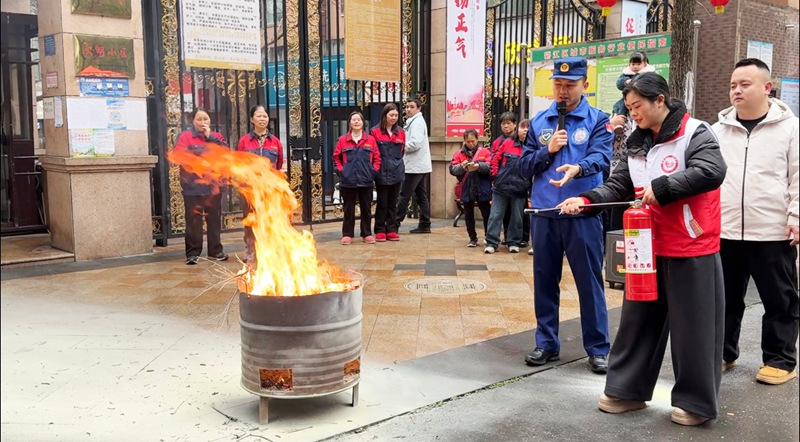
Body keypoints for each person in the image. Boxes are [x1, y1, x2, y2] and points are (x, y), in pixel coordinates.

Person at [558, 72, 727, 426]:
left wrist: (663, 187)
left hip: (690, 244)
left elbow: (712, 171)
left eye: (637, 106)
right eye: (629, 107)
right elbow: (619, 185)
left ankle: (696, 403)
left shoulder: (695, 132)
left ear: (660, 101)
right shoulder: (636, 143)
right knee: (637, 322)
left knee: (694, 329)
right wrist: (586, 200)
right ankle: (626, 391)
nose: (632, 112)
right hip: (645, 246)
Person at [517, 57, 613, 374]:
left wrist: (578, 168)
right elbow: (524, 166)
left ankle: (598, 348)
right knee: (545, 281)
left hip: (582, 211)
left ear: (584, 85)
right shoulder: (541, 121)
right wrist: (548, 152)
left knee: (589, 282)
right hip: (545, 213)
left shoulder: (598, 120)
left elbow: (601, 157)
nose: (562, 91)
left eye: (569, 85)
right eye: (558, 84)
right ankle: (546, 343)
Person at [712, 58, 799, 385]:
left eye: (745, 84)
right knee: (725, 299)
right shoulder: (717, 130)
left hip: (773, 231)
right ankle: (723, 351)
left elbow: (798, 177)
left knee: (780, 299)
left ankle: (780, 360)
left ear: (766, 87)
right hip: (726, 230)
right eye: (733, 84)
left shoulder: (791, 128)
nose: (736, 90)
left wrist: (796, 217)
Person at [175, 108, 229, 265]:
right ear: (193, 121)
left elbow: (226, 153)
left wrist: (209, 137)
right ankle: (193, 253)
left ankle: (215, 251)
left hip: (213, 187)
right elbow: (179, 155)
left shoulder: (216, 137)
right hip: (192, 187)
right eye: (199, 119)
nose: (203, 122)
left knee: (214, 220)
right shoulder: (185, 137)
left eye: (206, 119)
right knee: (194, 221)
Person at [236, 105, 284, 266]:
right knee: (251, 221)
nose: (262, 119)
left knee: (269, 219)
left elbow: (278, 165)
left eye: (265, 116)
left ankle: (268, 251)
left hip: (269, 189)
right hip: (249, 189)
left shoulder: (275, 141)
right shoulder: (244, 141)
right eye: (259, 116)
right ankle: (250, 251)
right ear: (252, 119)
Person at [333, 111, 381, 245]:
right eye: (353, 119)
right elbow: (336, 158)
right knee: (348, 209)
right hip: (348, 181)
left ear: (362, 122)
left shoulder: (370, 140)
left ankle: (366, 233)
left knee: (366, 208)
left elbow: (377, 158)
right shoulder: (342, 140)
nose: (356, 122)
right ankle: (347, 234)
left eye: (359, 119)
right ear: (349, 123)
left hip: (366, 180)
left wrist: (373, 171)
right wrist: (342, 171)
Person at [485, 119, 531, 254]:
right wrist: (495, 177)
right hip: (501, 187)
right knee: (495, 215)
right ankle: (492, 243)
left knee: (517, 217)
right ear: (518, 129)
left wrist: (526, 184)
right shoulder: (507, 143)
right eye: (523, 127)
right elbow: (495, 160)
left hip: (519, 189)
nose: (525, 130)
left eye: (528, 128)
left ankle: (513, 242)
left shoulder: (531, 148)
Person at [449, 129, 492, 247]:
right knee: (468, 215)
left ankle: (489, 237)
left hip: (482, 187)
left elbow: (490, 167)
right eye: (468, 141)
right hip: (467, 188)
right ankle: (472, 238)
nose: (471, 144)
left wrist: (479, 166)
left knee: (486, 214)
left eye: (473, 141)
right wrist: (462, 167)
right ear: (464, 141)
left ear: (477, 139)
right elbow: (452, 170)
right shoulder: (459, 154)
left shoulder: (484, 152)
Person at [395, 98, 432, 234]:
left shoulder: (417, 123)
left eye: (411, 107)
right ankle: (425, 223)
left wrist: (400, 146)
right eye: (407, 107)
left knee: (404, 194)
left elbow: (415, 143)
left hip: (415, 165)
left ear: (419, 108)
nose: (408, 109)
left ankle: (395, 223)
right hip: (419, 164)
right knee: (421, 195)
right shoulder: (414, 121)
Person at [371, 103, 406, 242]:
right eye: (391, 115)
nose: (394, 117)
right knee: (382, 202)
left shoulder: (401, 133)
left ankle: (391, 229)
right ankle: (380, 229)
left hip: (396, 171)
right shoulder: (375, 132)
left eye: (396, 115)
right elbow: (373, 152)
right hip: (381, 171)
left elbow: (402, 151)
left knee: (393, 202)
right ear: (385, 115)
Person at [611, 52, 655, 119]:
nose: (635, 66)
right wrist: (625, 81)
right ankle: (621, 119)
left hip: (644, 98)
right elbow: (619, 84)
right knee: (620, 108)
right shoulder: (626, 74)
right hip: (628, 99)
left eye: (638, 64)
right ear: (629, 64)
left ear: (645, 64)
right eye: (633, 64)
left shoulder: (649, 74)